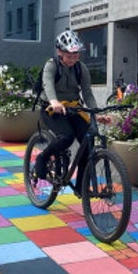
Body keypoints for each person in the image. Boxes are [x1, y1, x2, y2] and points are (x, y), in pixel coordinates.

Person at [34, 29, 110, 193]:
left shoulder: (81, 68)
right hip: (51, 108)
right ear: (59, 52)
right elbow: (47, 84)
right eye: (69, 56)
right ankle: (43, 157)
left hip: (74, 108)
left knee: (88, 142)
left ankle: (81, 187)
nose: (72, 59)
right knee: (66, 137)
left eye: (76, 56)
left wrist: (96, 113)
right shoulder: (51, 65)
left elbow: (87, 93)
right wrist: (54, 101)